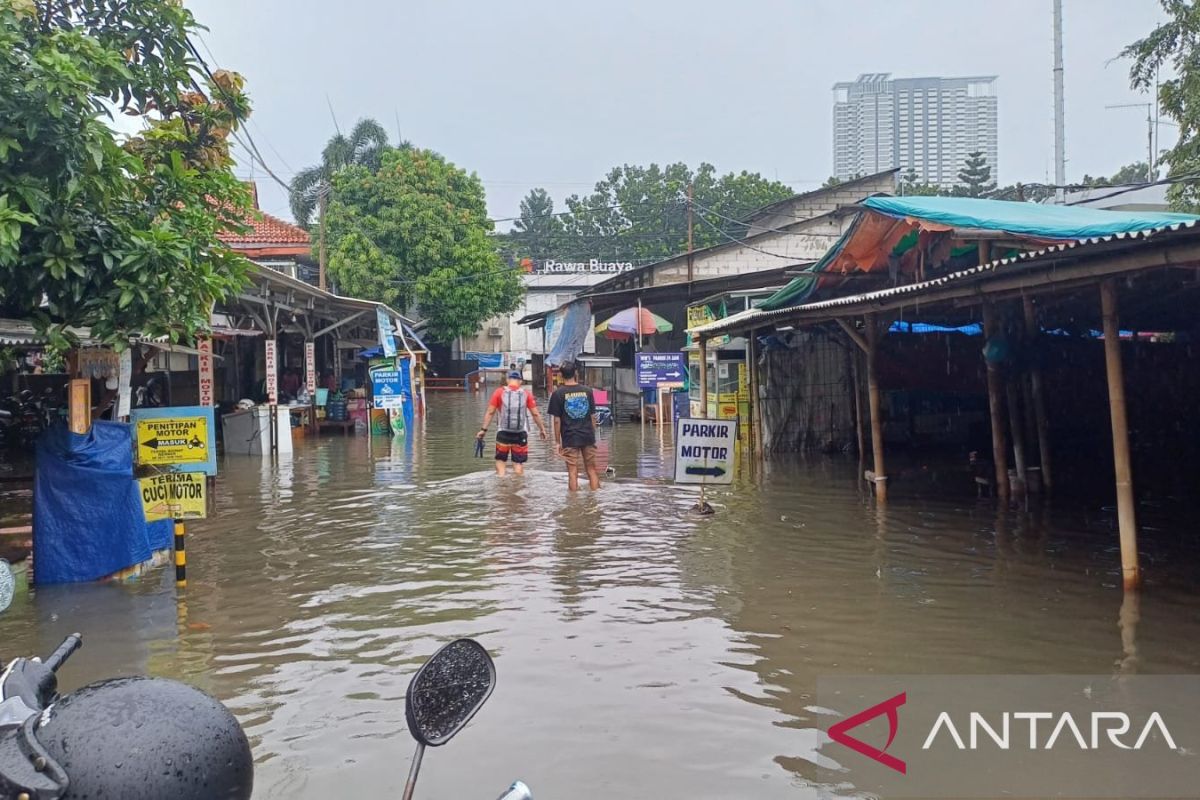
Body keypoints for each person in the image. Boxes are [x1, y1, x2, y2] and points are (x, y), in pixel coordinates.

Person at [477, 370, 548, 476]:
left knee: (501, 462)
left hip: (503, 433)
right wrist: (542, 429)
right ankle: (518, 488)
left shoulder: (499, 392)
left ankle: (501, 485)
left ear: (507, 380)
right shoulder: (526, 394)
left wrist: (483, 430)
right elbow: (535, 414)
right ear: (521, 381)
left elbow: (490, 412)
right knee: (518, 465)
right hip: (520, 434)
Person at [547, 362, 599, 491]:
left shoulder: (558, 394)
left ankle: (573, 504)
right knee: (591, 470)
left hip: (570, 437)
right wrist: (592, 434)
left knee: (572, 471)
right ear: (575, 373)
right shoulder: (588, 391)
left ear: (561, 375)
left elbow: (557, 421)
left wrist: (557, 442)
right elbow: (593, 416)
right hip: (588, 436)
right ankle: (596, 500)